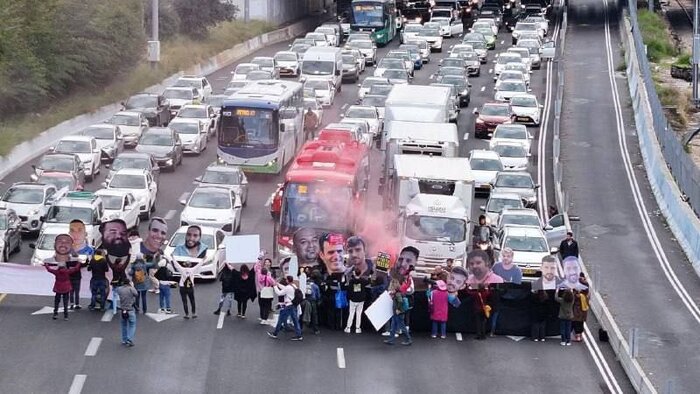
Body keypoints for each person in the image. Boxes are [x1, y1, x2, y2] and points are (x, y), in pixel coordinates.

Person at [43, 234, 82, 320]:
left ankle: (55, 314)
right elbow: (75, 269)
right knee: (65, 302)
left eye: (67, 242)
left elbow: (49, 269)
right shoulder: (67, 272)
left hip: (58, 288)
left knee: (57, 301)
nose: (63, 245)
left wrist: (45, 265)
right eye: (60, 241)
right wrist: (79, 263)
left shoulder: (57, 272)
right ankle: (65, 316)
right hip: (66, 288)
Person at [67, 220, 93, 310]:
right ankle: (76, 304)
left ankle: (71, 304)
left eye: (79, 230)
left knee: (71, 291)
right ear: (69, 233)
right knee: (76, 291)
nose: (75, 234)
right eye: (72, 231)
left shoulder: (89, 250)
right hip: (77, 278)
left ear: (85, 233)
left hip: (70, 278)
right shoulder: (76, 261)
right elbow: (83, 264)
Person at [267, 276, 303, 341]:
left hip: (288, 306)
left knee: (280, 319)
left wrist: (275, 286)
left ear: (287, 280)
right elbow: (285, 288)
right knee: (295, 320)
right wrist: (278, 284)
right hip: (293, 304)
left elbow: (279, 293)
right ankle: (299, 335)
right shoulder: (293, 285)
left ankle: (275, 334)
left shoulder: (288, 287)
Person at [383, 279, 412, 346]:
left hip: (398, 313)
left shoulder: (398, 294)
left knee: (402, 327)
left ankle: (408, 339)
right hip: (397, 313)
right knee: (393, 327)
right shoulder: (398, 292)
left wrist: (398, 309)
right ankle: (391, 340)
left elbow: (400, 301)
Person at [345, 268, 369, 334]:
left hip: (353, 299)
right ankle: (357, 328)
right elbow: (368, 282)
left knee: (351, 313)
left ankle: (348, 327)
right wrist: (369, 276)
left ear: (354, 273)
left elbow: (349, 290)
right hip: (361, 299)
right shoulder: (363, 281)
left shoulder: (351, 281)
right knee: (359, 314)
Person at [116, 279, 138, 347]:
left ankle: (124, 339)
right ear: (129, 283)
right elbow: (136, 294)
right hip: (130, 310)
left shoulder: (119, 289)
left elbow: (116, 290)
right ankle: (129, 339)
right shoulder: (131, 289)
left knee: (124, 325)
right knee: (132, 325)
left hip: (123, 310)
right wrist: (132, 286)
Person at [572, 273, 590, 342]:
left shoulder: (577, 287)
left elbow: (574, 296)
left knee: (576, 322)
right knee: (581, 322)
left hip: (577, 308)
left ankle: (578, 336)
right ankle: (580, 336)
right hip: (583, 308)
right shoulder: (586, 286)